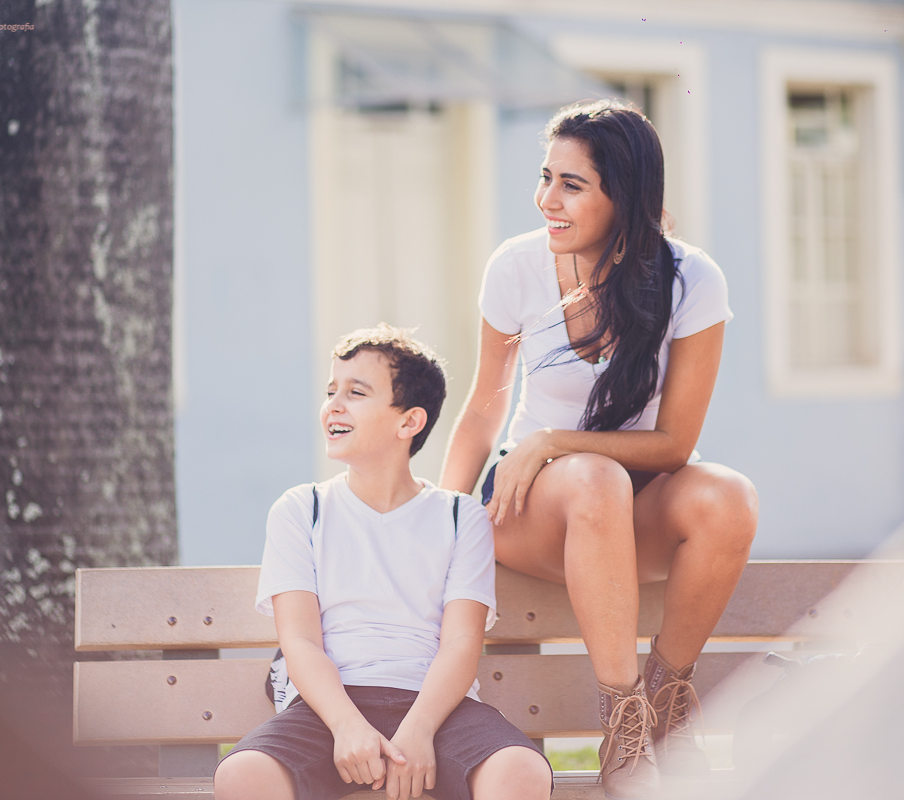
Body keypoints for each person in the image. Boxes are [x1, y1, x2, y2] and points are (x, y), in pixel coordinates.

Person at [440, 99, 758, 799]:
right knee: (592, 479)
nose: (546, 200)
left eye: (572, 185)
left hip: (627, 505)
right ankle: (620, 717)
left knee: (729, 498)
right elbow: (484, 405)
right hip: (532, 508)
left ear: (627, 195)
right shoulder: (517, 266)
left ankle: (664, 702)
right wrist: (437, 518)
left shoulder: (691, 281)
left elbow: (676, 443)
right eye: (545, 178)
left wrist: (557, 437)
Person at [214, 324, 552, 800]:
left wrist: (418, 732)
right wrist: (348, 727)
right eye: (331, 390)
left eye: (356, 392)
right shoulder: (300, 510)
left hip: (437, 709)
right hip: (327, 710)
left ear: (409, 422)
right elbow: (301, 641)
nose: (334, 404)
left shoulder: (460, 517)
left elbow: (460, 642)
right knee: (242, 775)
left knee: (522, 772)